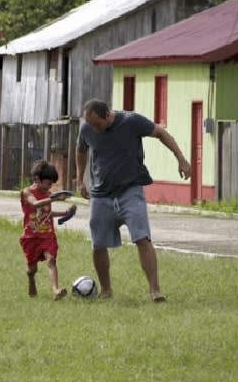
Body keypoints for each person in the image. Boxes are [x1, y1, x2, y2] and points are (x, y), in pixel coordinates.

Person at [75, 98, 191, 302]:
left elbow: (161, 133)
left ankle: (155, 290)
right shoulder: (87, 130)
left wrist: (181, 159)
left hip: (130, 190)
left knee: (142, 238)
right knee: (98, 243)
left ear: (107, 115)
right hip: (101, 194)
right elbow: (81, 150)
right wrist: (80, 180)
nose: (93, 128)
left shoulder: (131, 121)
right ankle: (106, 290)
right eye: (89, 124)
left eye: (96, 124)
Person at [20, 160, 76, 301]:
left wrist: (65, 213)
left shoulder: (48, 194)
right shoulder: (27, 192)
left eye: (52, 184)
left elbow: (47, 213)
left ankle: (55, 290)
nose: (50, 187)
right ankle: (31, 279)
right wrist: (55, 199)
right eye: (48, 183)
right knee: (32, 269)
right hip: (31, 237)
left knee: (51, 260)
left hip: (47, 235)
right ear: (36, 179)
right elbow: (35, 203)